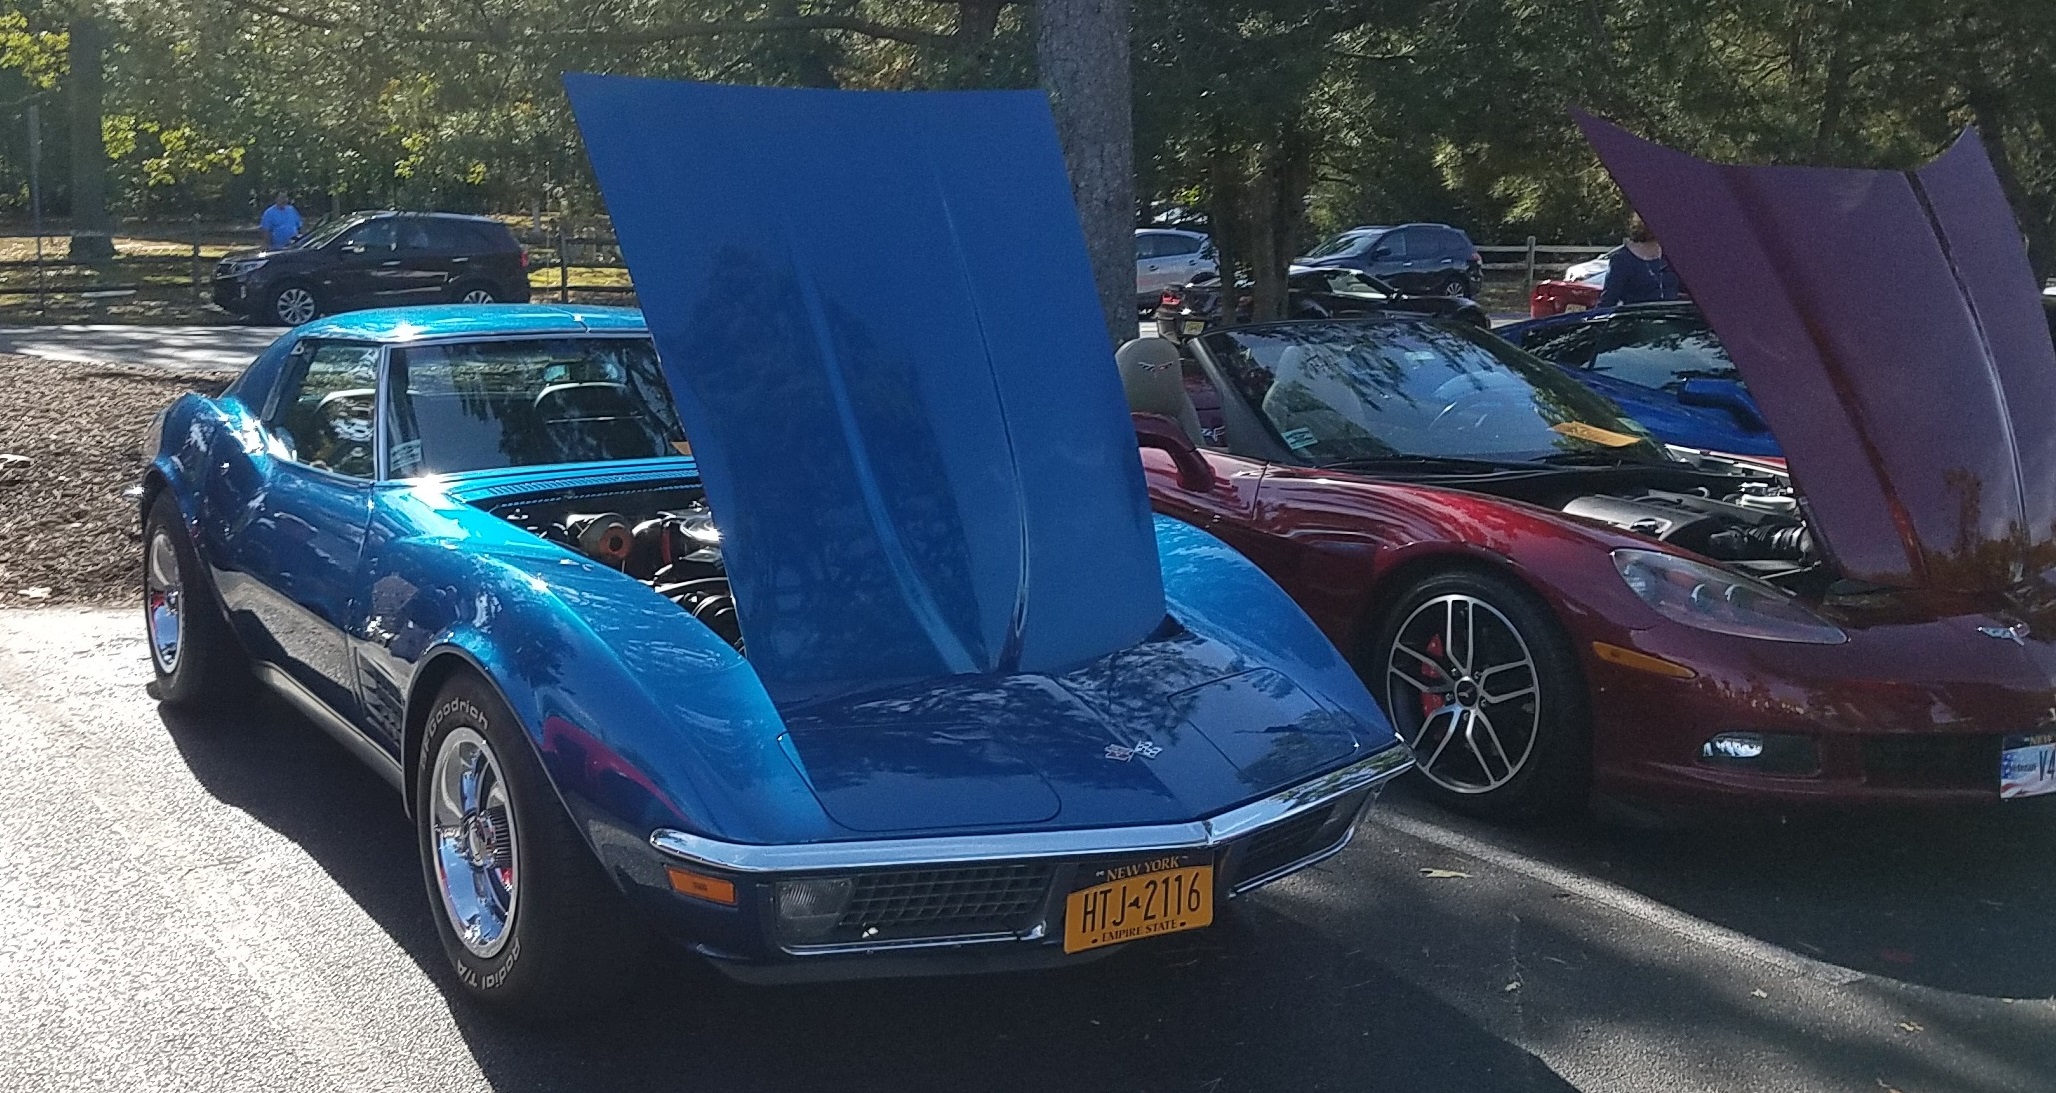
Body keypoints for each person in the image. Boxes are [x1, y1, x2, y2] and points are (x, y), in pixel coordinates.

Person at [1598, 212, 1681, 306]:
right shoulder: (1622, 259)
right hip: (1638, 319)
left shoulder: (1673, 256)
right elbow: (1607, 302)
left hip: (1674, 318)